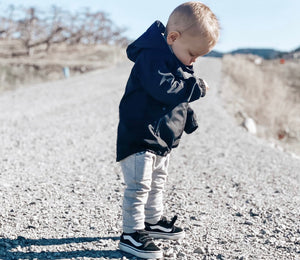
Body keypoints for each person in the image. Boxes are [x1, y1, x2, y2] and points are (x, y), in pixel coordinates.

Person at [116, 1, 220, 258]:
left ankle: (151, 222)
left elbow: (174, 99)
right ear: (173, 38)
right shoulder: (152, 58)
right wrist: (195, 88)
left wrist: (187, 115)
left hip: (160, 138)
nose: (194, 60)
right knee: (140, 186)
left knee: (157, 183)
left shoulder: (174, 59)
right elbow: (163, 89)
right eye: (193, 54)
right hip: (141, 135)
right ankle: (131, 233)